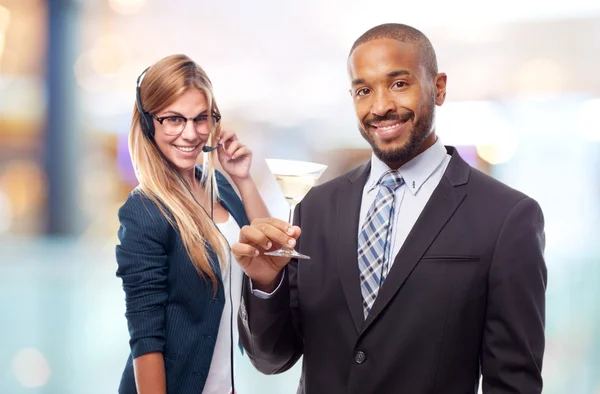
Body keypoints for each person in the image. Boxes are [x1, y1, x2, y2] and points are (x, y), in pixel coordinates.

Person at [233, 23, 547, 393]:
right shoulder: (314, 208)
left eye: (399, 84)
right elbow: (272, 359)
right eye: (364, 90)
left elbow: (513, 383)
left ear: (439, 87)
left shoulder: (506, 217)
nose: (380, 106)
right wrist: (266, 284)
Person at [115, 54, 268, 394]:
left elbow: (269, 254)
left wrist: (243, 179)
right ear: (147, 122)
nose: (191, 133)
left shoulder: (220, 185)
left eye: (201, 118)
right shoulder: (144, 210)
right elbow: (146, 337)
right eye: (174, 119)